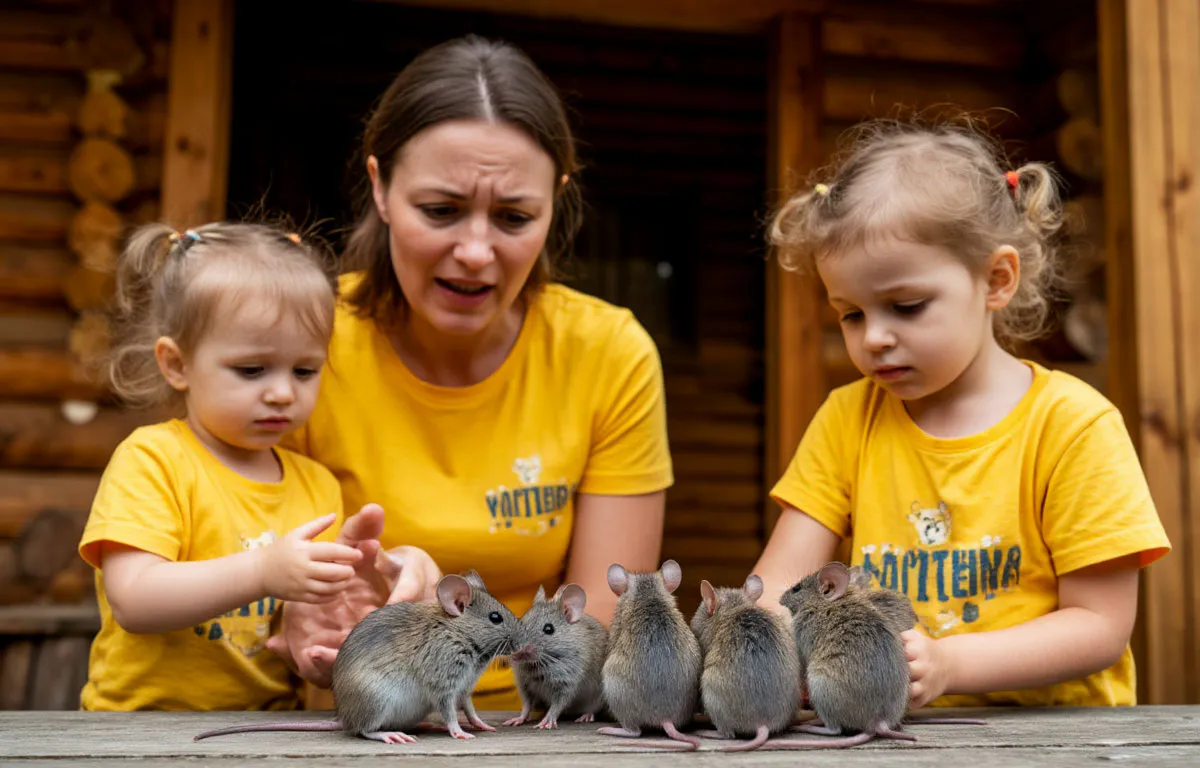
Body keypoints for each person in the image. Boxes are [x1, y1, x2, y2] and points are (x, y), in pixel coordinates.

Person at [267, 35, 673, 710]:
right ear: (380, 187)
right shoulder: (302, 343)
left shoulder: (609, 353)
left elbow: (599, 622)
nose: (476, 251)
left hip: (535, 728)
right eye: (441, 210)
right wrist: (294, 618)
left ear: (556, 204)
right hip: (353, 723)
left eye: (514, 217)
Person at [754, 117, 1170, 708]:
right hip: (897, 735)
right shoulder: (848, 417)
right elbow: (777, 585)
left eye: (906, 305)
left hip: (1060, 741)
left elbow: (1100, 625)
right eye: (849, 314)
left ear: (996, 280)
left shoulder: (1074, 425)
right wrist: (763, 648)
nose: (873, 337)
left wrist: (950, 664)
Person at [77, 222, 369, 711]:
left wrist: (319, 655)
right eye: (252, 369)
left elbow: (300, 626)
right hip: (138, 730)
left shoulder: (316, 485)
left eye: (305, 370)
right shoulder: (153, 461)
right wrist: (262, 570)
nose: (282, 391)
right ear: (177, 364)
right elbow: (134, 600)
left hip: (269, 730)